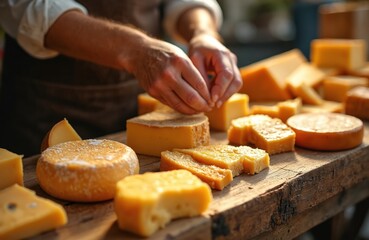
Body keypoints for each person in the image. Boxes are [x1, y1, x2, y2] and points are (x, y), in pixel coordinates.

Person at [0, 0, 242, 157]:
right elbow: (24, 7)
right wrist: (137, 51)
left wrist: (203, 33)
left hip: (139, 106)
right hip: (45, 109)